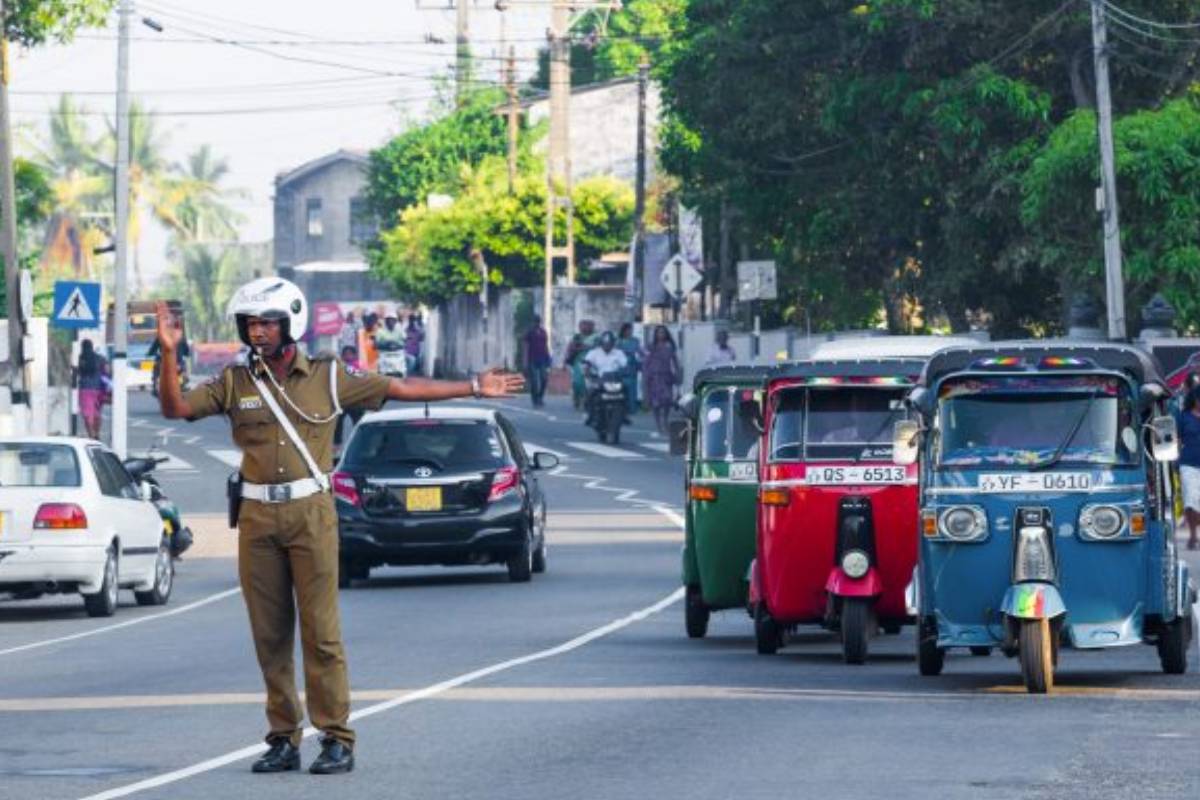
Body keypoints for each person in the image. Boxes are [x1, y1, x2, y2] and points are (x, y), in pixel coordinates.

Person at [153, 279, 523, 776]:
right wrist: (168, 354)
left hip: (312, 512)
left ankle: (336, 737)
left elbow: (399, 389)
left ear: (291, 324)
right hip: (258, 516)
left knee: (322, 633)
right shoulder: (235, 381)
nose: (258, 332)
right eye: (251, 324)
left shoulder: (330, 376)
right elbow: (176, 408)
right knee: (270, 634)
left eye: (267, 323)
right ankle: (283, 737)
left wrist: (473, 387)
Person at [582, 331, 629, 425]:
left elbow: (624, 364)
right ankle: (590, 415)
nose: (607, 345)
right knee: (590, 393)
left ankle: (624, 414)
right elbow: (587, 363)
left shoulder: (618, 353)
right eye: (605, 343)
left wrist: (625, 371)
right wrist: (587, 371)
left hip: (615, 379)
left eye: (610, 343)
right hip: (599, 380)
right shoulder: (594, 352)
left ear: (613, 343)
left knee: (626, 390)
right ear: (601, 343)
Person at [644, 325, 681, 434]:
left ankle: (665, 420)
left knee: (667, 401)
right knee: (656, 403)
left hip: (666, 376)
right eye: (659, 332)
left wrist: (678, 372)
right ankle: (658, 424)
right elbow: (646, 362)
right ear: (656, 334)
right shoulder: (651, 346)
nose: (661, 335)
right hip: (654, 377)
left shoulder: (670, 346)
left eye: (663, 332)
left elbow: (675, 361)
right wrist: (646, 375)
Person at [1175, 382, 1200, 550]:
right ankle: (1193, 535)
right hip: (1188, 464)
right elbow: (1176, 439)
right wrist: (1174, 459)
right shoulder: (1183, 416)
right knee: (1190, 500)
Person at [75, 339, 108, 440]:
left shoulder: (81, 358)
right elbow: (107, 371)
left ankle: (91, 435)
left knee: (87, 414)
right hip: (98, 389)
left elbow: (79, 372)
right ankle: (97, 433)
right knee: (97, 413)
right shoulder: (101, 358)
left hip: (85, 389)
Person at [333, 345, 365, 448]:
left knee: (358, 422)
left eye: (350, 354)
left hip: (356, 399)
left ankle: (361, 441)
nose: (347, 356)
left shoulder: (358, 366)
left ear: (355, 355)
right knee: (338, 422)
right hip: (343, 399)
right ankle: (337, 443)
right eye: (345, 354)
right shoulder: (338, 366)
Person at [523, 314, 551, 407]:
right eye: (535, 321)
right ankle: (535, 399)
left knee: (544, 379)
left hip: (543, 358)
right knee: (534, 381)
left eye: (538, 321)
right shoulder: (529, 332)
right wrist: (525, 361)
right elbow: (526, 347)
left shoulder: (543, 332)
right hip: (532, 359)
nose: (536, 323)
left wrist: (548, 358)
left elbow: (546, 345)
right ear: (533, 322)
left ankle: (540, 397)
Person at [616, 322, 641, 414]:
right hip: (620, 367)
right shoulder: (618, 341)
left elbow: (639, 351)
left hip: (631, 366)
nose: (630, 332)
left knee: (632, 388)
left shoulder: (635, 341)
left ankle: (632, 408)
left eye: (631, 330)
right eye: (628, 330)